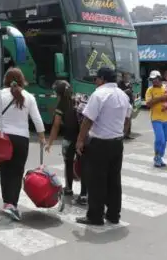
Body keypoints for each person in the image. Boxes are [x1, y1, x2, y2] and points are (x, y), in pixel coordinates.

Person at [0, 67, 46, 221]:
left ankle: (7, 203)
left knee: (5, 171)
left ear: (5, 80)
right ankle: (13, 203)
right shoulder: (29, 97)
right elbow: (37, 119)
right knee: (17, 172)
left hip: (1, 138)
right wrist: (41, 137)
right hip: (21, 139)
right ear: (22, 80)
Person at [75, 66, 131, 226]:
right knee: (114, 180)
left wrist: (80, 140)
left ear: (102, 79)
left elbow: (87, 120)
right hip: (117, 143)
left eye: (96, 79)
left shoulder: (99, 94)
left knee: (96, 181)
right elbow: (127, 119)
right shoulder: (123, 95)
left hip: (99, 144)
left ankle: (95, 216)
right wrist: (121, 134)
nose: (95, 82)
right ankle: (114, 215)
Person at [45, 80, 86, 204]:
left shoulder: (61, 105)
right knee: (83, 165)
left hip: (69, 138)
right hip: (82, 137)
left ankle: (68, 189)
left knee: (68, 163)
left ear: (58, 93)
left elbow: (56, 126)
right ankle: (84, 194)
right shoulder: (79, 99)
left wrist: (50, 142)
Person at [144, 70, 167, 168]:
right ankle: (157, 157)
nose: (154, 81)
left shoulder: (166, 87)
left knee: (165, 141)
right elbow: (148, 103)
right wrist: (161, 98)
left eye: (155, 79)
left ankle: (160, 157)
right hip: (156, 118)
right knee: (160, 139)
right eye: (152, 79)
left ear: (159, 78)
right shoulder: (150, 90)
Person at [118, 71, 135, 139]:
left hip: (129, 103)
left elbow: (131, 93)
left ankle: (127, 134)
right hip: (122, 103)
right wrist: (125, 91)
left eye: (128, 77)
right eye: (125, 77)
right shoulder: (119, 84)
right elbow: (118, 92)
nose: (127, 78)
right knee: (122, 119)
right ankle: (121, 134)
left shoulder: (130, 84)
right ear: (122, 77)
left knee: (129, 119)